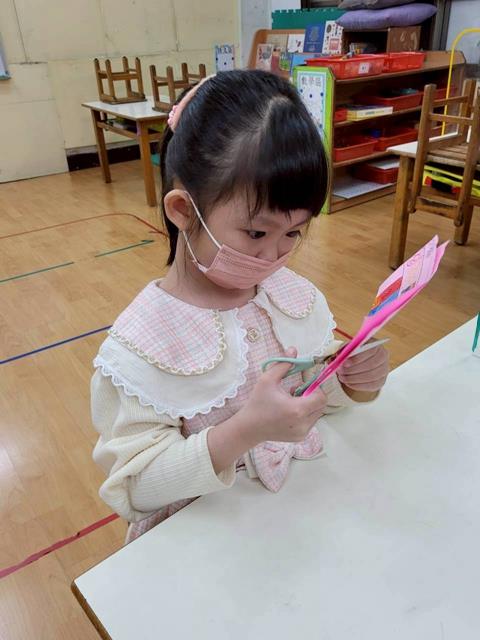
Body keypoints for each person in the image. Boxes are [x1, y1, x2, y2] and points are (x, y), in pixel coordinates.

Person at [91, 70, 389, 543]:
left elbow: (307, 399)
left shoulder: (289, 296)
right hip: (202, 542)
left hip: (293, 521)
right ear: (183, 210)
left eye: (293, 232)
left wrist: (349, 382)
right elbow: (137, 488)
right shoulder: (141, 344)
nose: (273, 256)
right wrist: (243, 431)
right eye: (256, 233)